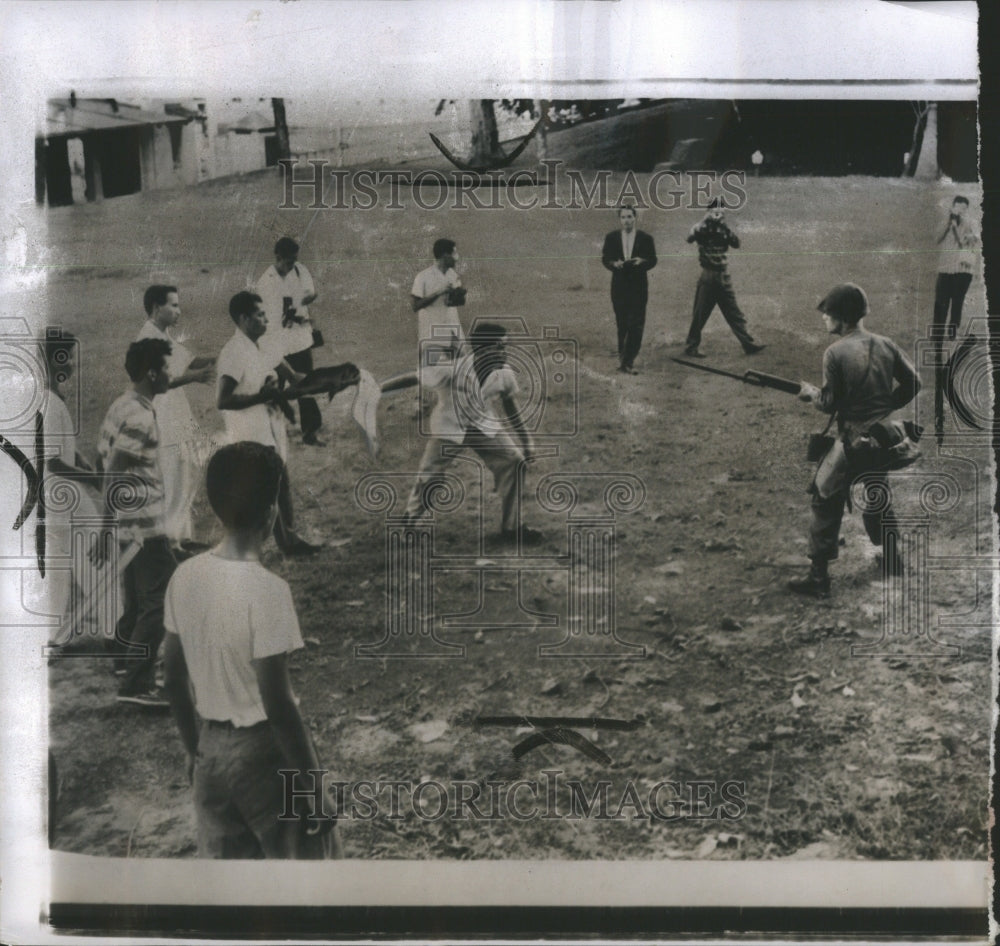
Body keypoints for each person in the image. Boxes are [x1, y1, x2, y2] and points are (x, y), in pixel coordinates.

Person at [163, 442, 341, 859]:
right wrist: (314, 786)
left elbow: (171, 678)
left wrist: (195, 751)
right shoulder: (268, 591)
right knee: (304, 870)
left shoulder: (184, 576)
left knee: (231, 889)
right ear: (271, 512)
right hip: (263, 752)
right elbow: (277, 702)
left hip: (211, 749)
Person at [789, 284, 920, 597]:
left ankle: (818, 580)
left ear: (843, 318)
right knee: (877, 494)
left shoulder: (834, 352)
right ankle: (893, 559)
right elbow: (914, 383)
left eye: (828, 315)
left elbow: (830, 403)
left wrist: (811, 395)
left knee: (825, 498)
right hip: (884, 439)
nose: (824, 319)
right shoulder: (885, 344)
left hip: (851, 442)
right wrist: (886, 406)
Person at [400, 322, 542, 544]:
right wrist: (378, 389)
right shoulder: (453, 369)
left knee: (514, 461)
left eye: (506, 346)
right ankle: (410, 521)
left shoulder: (504, 374)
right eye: (499, 346)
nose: (505, 352)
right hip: (449, 427)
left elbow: (512, 409)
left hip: (481, 425)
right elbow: (414, 377)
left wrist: (527, 442)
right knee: (431, 477)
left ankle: (511, 528)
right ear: (483, 350)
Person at [95, 338, 177, 707]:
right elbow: (112, 472)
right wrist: (105, 528)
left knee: (137, 598)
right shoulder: (141, 417)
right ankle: (137, 685)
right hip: (144, 525)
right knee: (158, 602)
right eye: (167, 368)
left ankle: (123, 662)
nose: (171, 375)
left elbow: (103, 461)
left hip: (131, 524)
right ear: (152, 373)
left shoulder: (121, 404)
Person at [216, 291, 321, 556]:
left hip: (269, 421)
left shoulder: (265, 344)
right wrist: (262, 396)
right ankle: (270, 544)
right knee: (267, 486)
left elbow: (294, 376)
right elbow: (223, 399)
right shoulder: (233, 352)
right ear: (243, 319)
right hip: (248, 426)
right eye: (260, 314)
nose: (265, 319)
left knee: (277, 481)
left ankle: (287, 540)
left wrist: (329, 381)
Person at [136, 285, 215, 548]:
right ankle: (171, 544)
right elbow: (158, 381)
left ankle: (183, 538)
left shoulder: (164, 336)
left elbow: (191, 362)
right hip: (163, 421)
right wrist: (195, 377)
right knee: (173, 480)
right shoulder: (147, 340)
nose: (179, 311)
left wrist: (222, 358)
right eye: (174, 305)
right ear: (157, 308)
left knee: (186, 476)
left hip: (177, 418)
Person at [38, 331, 102, 647]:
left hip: (66, 493)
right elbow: (51, 462)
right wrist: (91, 479)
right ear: (54, 360)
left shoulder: (53, 398)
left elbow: (62, 449)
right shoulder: (48, 404)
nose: (74, 365)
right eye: (69, 357)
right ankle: (61, 633)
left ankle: (101, 622)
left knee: (81, 557)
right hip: (59, 495)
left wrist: (82, 461)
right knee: (76, 559)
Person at [255, 237, 324, 445]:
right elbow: (275, 317)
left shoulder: (299, 270)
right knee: (274, 388)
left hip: (300, 340)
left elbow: (311, 292)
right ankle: (269, 433)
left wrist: (300, 303)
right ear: (278, 257)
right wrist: (298, 314)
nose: (292, 264)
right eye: (289, 260)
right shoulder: (266, 282)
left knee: (306, 383)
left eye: (295, 259)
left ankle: (310, 431)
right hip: (276, 343)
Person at [683, 200, 764, 358]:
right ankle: (691, 346)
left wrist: (722, 226)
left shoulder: (723, 228)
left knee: (733, 312)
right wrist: (706, 221)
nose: (718, 211)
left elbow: (736, 243)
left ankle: (748, 344)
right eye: (715, 209)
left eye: (721, 208)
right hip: (709, 274)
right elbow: (690, 238)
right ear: (709, 211)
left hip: (722, 275)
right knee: (700, 313)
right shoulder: (702, 227)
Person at [601, 205, 657, 374]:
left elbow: (653, 259)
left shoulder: (645, 238)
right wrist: (613, 264)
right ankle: (623, 356)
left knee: (636, 324)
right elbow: (605, 258)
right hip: (619, 286)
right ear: (620, 220)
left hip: (638, 286)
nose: (626, 220)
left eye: (629, 217)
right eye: (623, 217)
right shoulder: (611, 238)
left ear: (635, 218)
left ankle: (628, 360)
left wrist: (642, 262)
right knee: (622, 323)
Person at [411, 238, 466, 364]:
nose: (456, 258)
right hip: (433, 330)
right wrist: (438, 292)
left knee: (463, 366)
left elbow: (455, 303)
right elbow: (415, 305)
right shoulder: (423, 277)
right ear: (445, 255)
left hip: (452, 328)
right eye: (454, 254)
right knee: (428, 370)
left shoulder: (453, 275)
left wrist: (457, 295)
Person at [932, 196, 979, 342]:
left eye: (963, 209)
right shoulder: (946, 222)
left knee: (957, 302)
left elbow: (965, 243)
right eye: (957, 208)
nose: (960, 211)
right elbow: (937, 239)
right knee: (940, 301)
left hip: (962, 270)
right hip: (945, 268)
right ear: (952, 207)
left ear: (967, 210)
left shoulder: (972, 223)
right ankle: (937, 333)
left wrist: (956, 228)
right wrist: (947, 225)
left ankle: (952, 333)